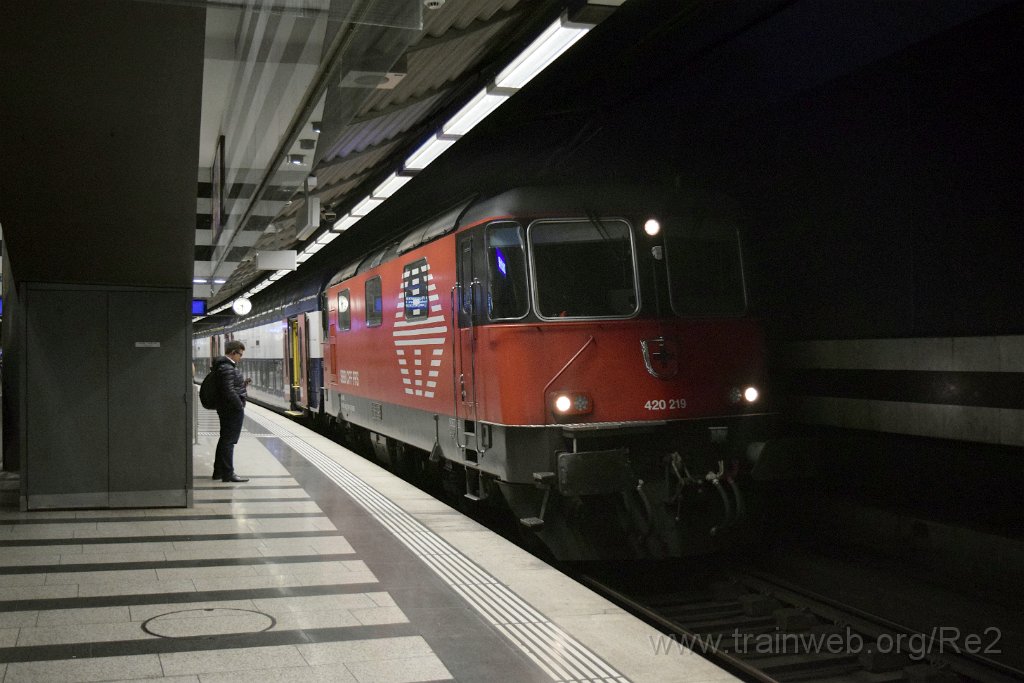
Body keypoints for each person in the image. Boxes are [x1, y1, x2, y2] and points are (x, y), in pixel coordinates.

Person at [212, 340, 249, 483]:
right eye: (240, 354)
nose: (240, 357)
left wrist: (242, 385)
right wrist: (239, 405)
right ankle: (228, 473)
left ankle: (218, 472)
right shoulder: (227, 367)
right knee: (229, 442)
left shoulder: (224, 366)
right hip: (231, 409)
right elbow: (228, 390)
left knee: (224, 439)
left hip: (227, 408)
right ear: (233, 353)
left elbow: (229, 387)